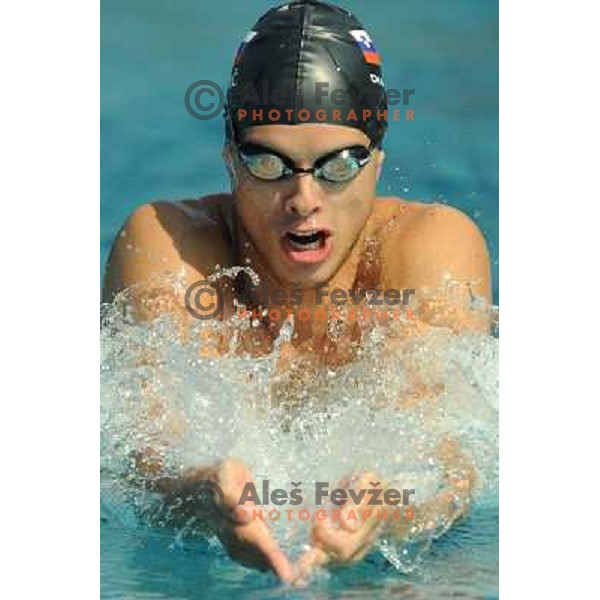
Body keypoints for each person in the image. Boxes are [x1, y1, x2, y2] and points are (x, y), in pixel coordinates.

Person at [102, 0, 491, 585]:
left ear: (377, 164)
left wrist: (390, 510)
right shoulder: (171, 247)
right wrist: (199, 492)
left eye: (337, 166)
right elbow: (142, 450)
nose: (303, 198)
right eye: (269, 164)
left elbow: (447, 458)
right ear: (231, 161)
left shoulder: (429, 250)